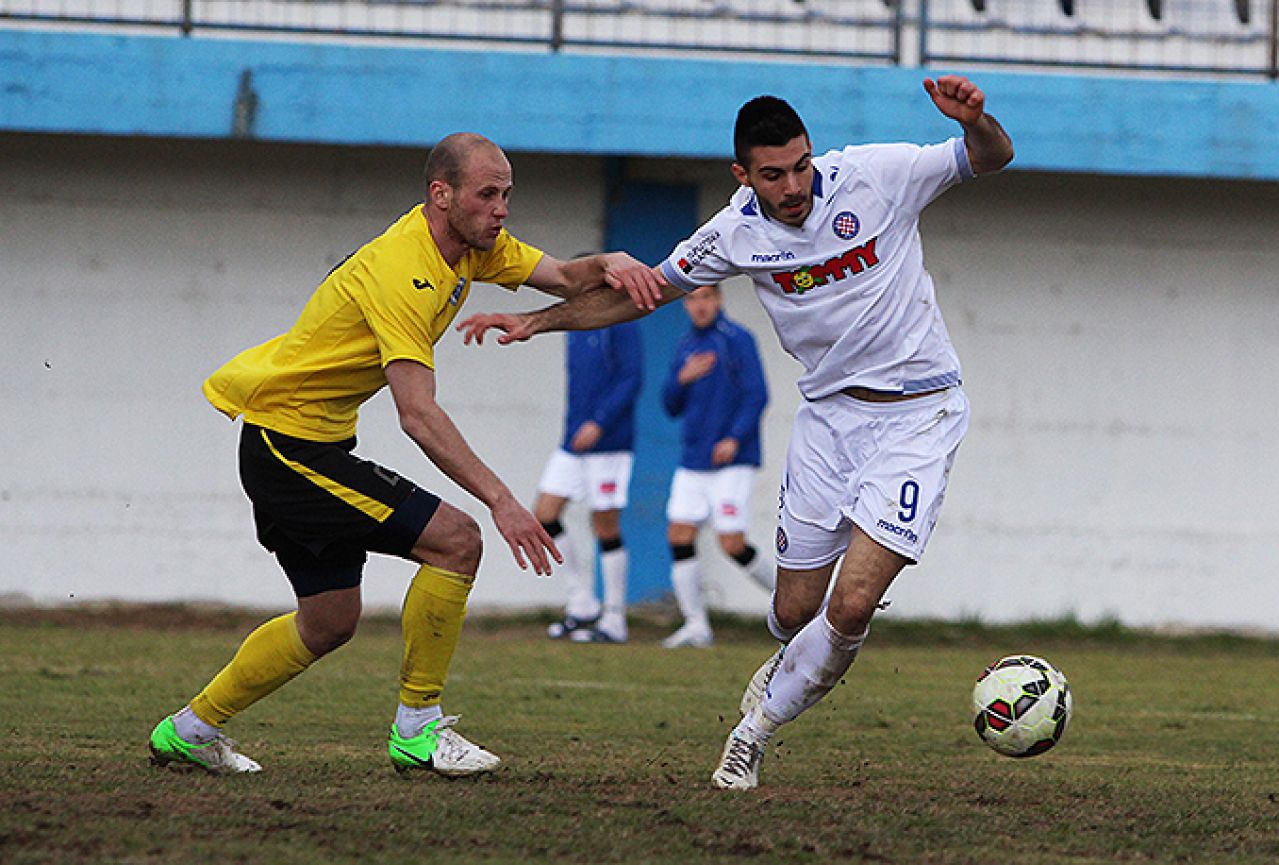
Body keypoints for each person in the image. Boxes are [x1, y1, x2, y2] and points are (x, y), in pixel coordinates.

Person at [457, 76, 1014, 790]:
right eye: (773, 174)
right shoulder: (733, 234)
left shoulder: (877, 176)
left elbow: (989, 157)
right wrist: (534, 321)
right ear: (742, 175)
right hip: (827, 420)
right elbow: (643, 293)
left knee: (848, 604)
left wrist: (976, 121)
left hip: (917, 413)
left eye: (801, 165)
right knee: (791, 613)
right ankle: (792, 663)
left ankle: (751, 734)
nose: (793, 186)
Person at [147, 132, 653, 777]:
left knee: (328, 622)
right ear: (441, 195)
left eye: (507, 195)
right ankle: (418, 730)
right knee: (458, 540)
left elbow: (560, 276)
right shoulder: (403, 272)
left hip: (305, 442)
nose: (501, 209)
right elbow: (416, 413)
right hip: (290, 448)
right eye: (488, 194)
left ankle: (188, 731)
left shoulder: (469, 249)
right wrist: (503, 502)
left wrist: (609, 262)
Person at [660, 284, 771, 649]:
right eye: (692, 299)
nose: (699, 305)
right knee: (678, 535)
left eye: (706, 297)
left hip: (732, 461)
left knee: (732, 542)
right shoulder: (684, 346)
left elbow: (757, 394)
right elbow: (670, 405)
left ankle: (800, 608)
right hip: (694, 460)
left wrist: (734, 437)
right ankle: (696, 626)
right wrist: (682, 378)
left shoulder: (736, 339)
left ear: (719, 300)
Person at [536, 318, 643, 644]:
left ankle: (614, 618)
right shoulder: (574, 326)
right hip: (573, 441)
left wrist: (600, 422)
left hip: (610, 443)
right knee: (544, 513)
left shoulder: (621, 324)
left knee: (605, 525)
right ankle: (582, 604)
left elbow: (631, 378)